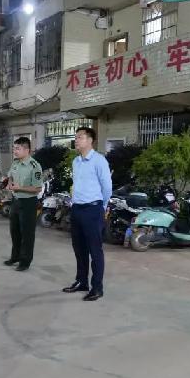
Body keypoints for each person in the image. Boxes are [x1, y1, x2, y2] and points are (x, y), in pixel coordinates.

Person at [62, 127, 112, 302]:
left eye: (80, 137)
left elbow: (107, 187)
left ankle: (97, 288)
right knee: (79, 249)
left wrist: (102, 206)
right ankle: (81, 282)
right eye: (75, 137)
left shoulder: (99, 161)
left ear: (90, 140)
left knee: (94, 250)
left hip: (93, 209)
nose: (76, 140)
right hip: (77, 209)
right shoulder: (76, 161)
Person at [4, 137, 43, 272]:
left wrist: (19, 187)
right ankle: (15, 257)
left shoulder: (34, 166)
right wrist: (10, 183)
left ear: (27, 150)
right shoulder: (15, 163)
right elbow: (10, 176)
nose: (15, 151)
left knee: (27, 233)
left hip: (28, 203)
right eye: (14, 148)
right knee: (14, 231)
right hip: (16, 201)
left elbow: (37, 188)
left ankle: (25, 261)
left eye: (18, 148)